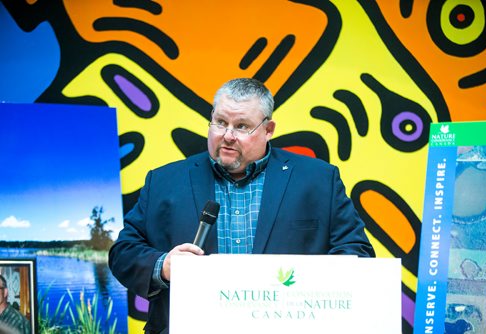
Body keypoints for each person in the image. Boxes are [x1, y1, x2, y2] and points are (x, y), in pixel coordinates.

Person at [109, 78, 375, 334]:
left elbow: (357, 252)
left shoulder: (318, 180)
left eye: (242, 126)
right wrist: (164, 265)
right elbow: (123, 252)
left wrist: (310, 283)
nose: (227, 135)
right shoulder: (164, 181)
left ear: (268, 130)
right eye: (220, 122)